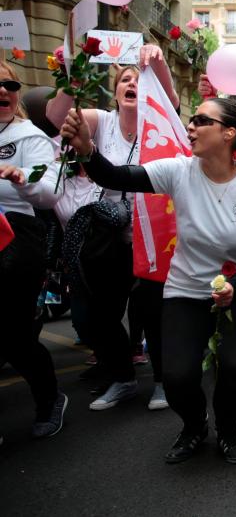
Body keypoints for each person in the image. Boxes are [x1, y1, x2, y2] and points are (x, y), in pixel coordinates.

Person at [61, 98, 236, 465]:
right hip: (185, 291)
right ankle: (194, 426)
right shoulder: (178, 171)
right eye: (190, 120)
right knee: (177, 377)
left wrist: (235, 286)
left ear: (228, 133)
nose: (190, 127)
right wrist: (87, 150)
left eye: (201, 121)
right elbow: (115, 176)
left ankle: (228, 430)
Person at [46, 45, 176, 412]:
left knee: (152, 313)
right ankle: (123, 379)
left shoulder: (160, 123)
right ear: (116, 92)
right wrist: (73, 74)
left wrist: (159, 64)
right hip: (110, 237)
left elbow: (171, 98)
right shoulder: (101, 121)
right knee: (103, 315)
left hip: (153, 234)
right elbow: (58, 117)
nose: (133, 83)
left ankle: (164, 383)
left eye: (139, 79)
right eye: (126, 80)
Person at [0, 62, 68, 441]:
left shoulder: (30, 137)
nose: (3, 91)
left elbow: (50, 189)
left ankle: (49, 399)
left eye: (9, 84)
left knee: (15, 336)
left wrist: (22, 177)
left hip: (16, 239)